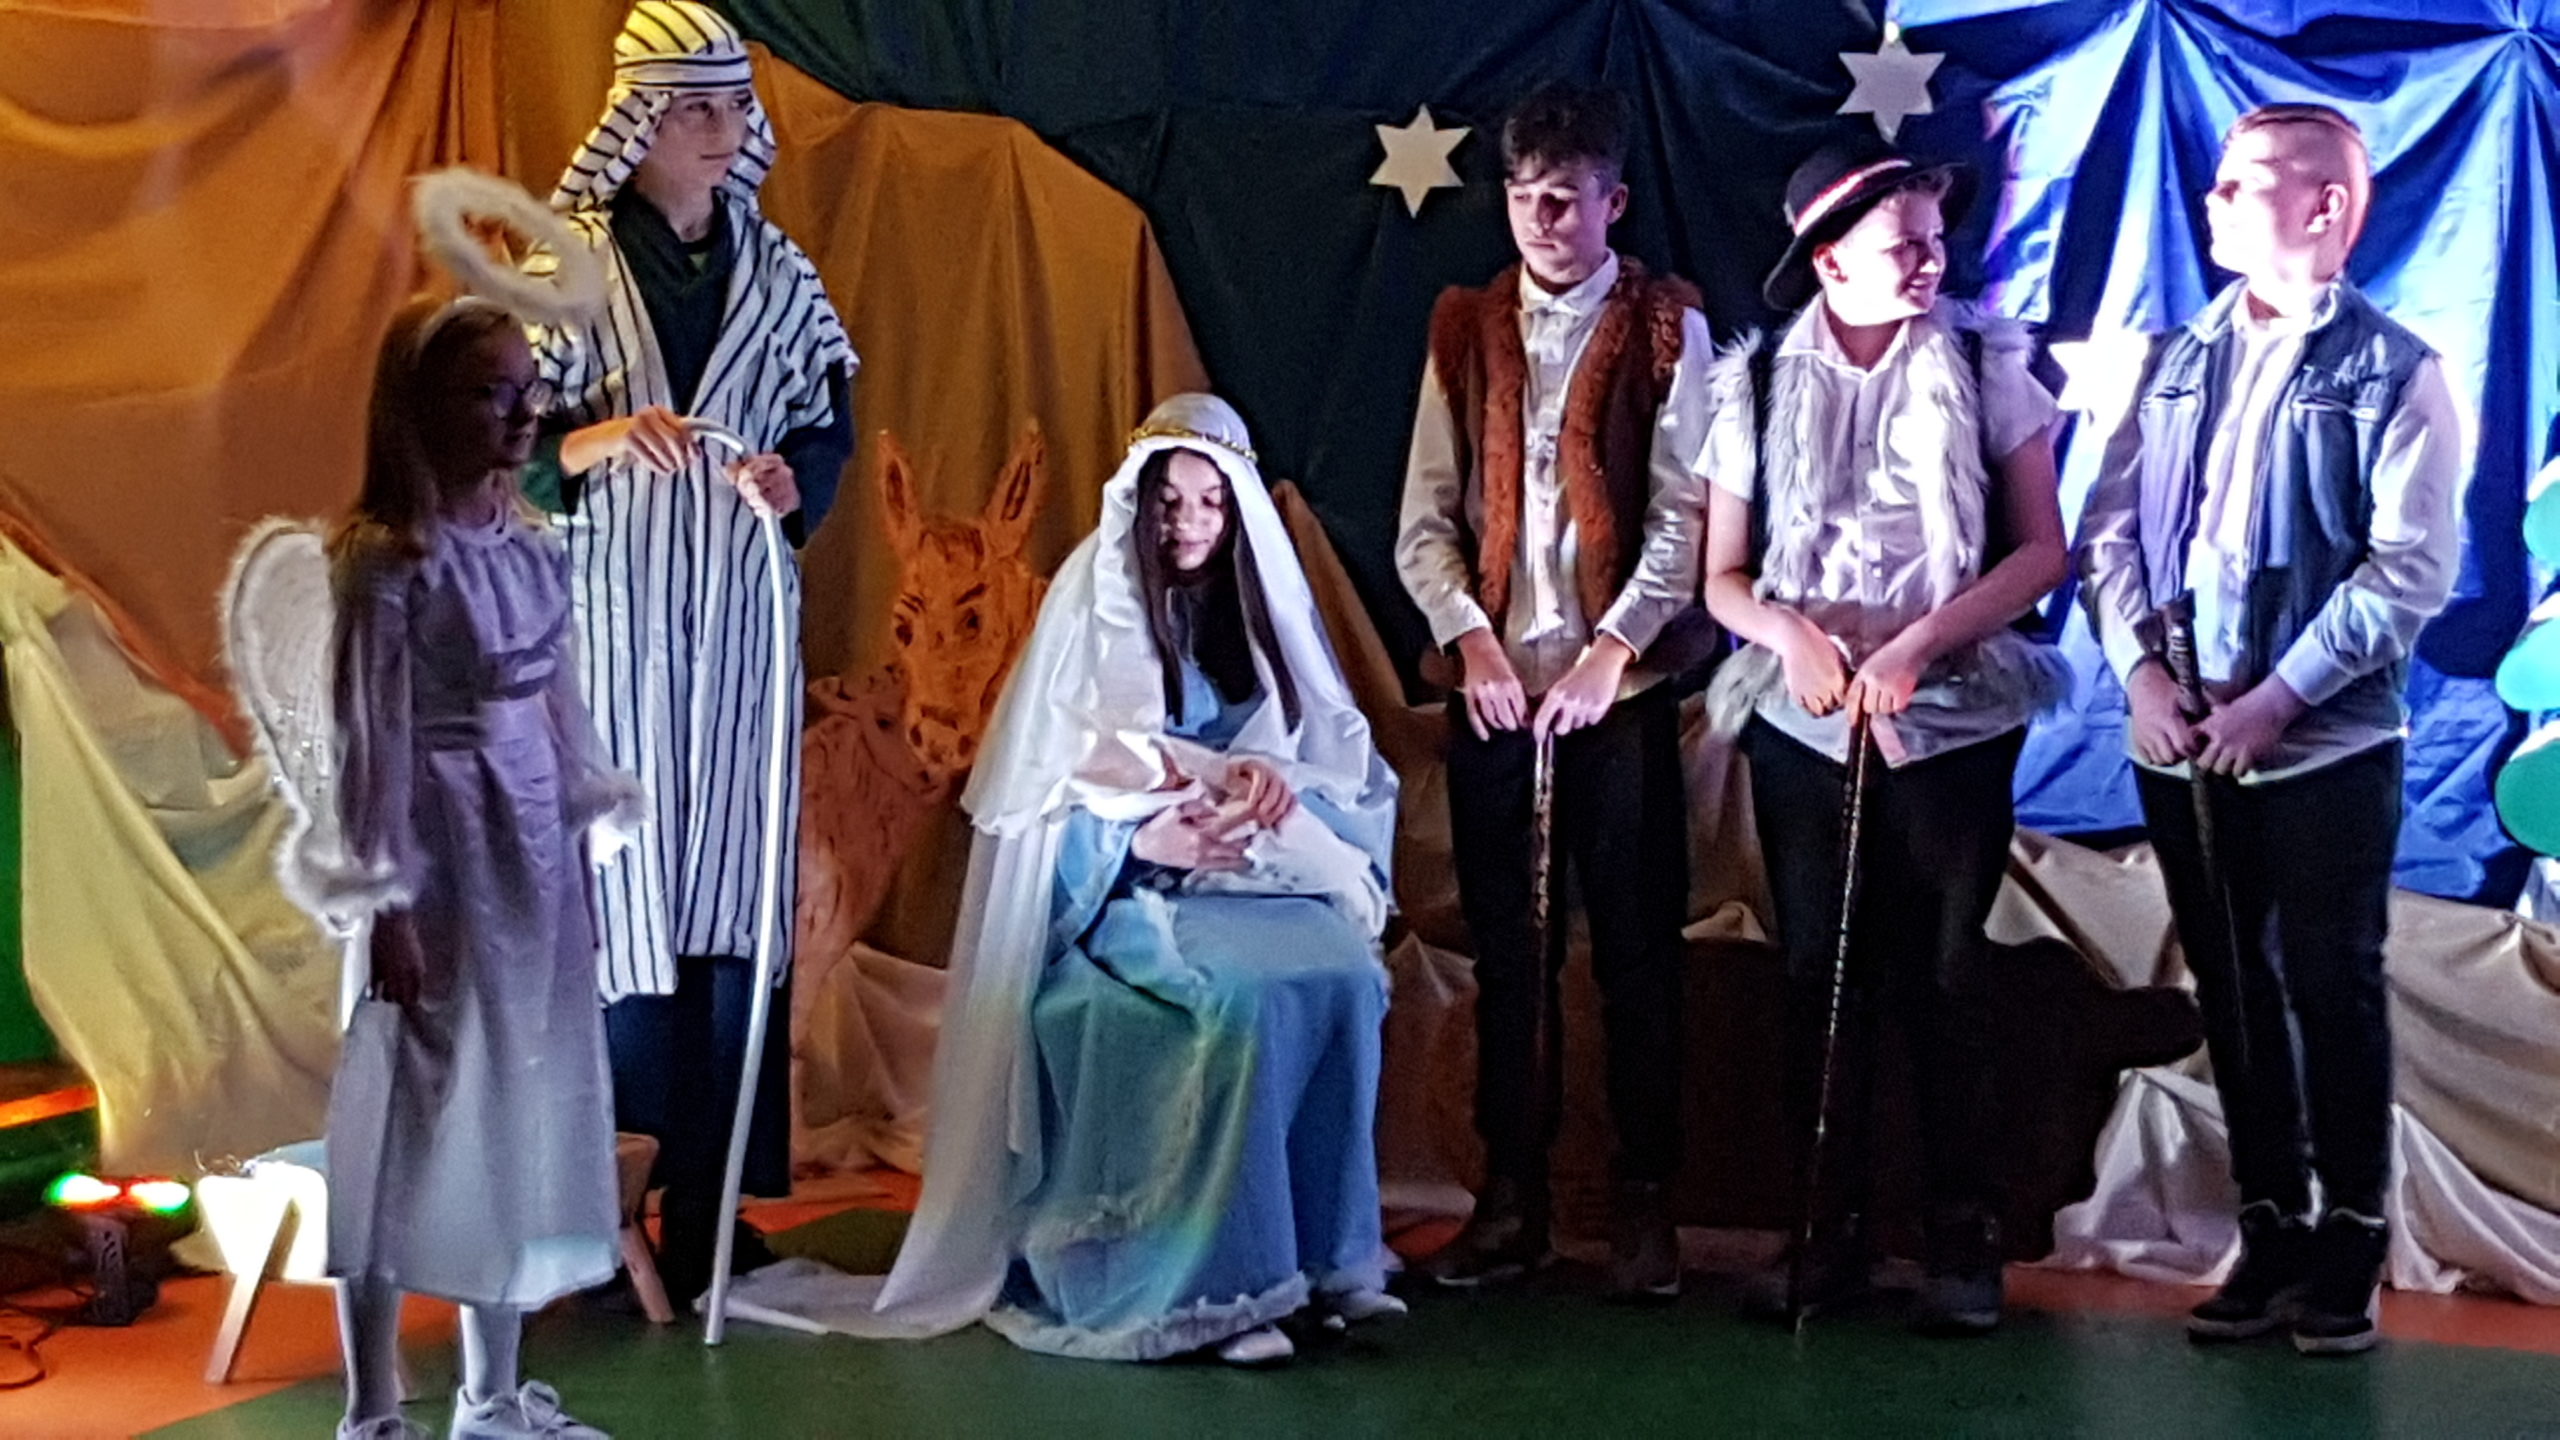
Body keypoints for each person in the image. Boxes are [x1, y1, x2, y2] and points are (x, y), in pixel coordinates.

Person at [866, 394, 1402, 1365]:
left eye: (1211, 502)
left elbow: (1317, 759)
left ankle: (1331, 1259)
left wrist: (1268, 788)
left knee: (1348, 976)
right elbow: (1040, 802)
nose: (1189, 523)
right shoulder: (1093, 602)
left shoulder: (1251, 608)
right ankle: (1221, 1289)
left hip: (1245, 880)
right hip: (1128, 895)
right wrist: (1141, 844)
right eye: (1170, 502)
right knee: (1240, 1000)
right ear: (1139, 501)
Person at [2076, 103, 2465, 1356]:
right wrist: (2141, 673)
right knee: (2232, 983)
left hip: (2323, 749)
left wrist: (2278, 698)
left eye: (2242, 183)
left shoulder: (2395, 370)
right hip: (2181, 736)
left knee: (2328, 981)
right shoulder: (2168, 359)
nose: (2215, 201)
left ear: (2325, 208)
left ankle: (2349, 1236)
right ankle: (2270, 1223)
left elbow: (2406, 571)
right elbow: (2108, 529)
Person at [1698, 130, 2069, 1334]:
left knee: (1947, 973)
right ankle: (1826, 1229)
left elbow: (2040, 550)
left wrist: (1920, 644)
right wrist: (1789, 637)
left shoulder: (1982, 360)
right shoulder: (1754, 383)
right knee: (1821, 969)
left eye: (1933, 241)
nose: (1928, 261)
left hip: (1948, 718)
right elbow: (1722, 576)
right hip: (1806, 725)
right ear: (1829, 261)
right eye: (1901, 244)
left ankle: (1961, 1235)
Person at [524, 0, 857, 1306]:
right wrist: (602, 440)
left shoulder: (778, 272)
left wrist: (793, 480)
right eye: (695, 109)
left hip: (740, 632)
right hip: (610, 636)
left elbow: (825, 417)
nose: (724, 131)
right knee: (625, 911)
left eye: (734, 105)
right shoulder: (565, 269)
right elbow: (499, 443)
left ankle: (714, 1212)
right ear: (639, 123)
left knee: (733, 907)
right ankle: (604, 1217)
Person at [1395, 82, 1714, 1300]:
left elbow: (1685, 516)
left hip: (1613, 697)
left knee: (1635, 952)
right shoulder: (1464, 328)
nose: (1543, 220)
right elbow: (1425, 517)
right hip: (1494, 694)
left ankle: (1644, 1200)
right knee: (1508, 955)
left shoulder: (1667, 327)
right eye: (1526, 197)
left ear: (1612, 203)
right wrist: (1472, 643)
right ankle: (1509, 1196)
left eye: (1567, 199)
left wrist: (1610, 653)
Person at [319, 294, 641, 1439]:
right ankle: (372, 1407)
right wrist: (387, 905)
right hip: (437, 851)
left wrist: (580, 847)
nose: (520, 414)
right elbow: (369, 738)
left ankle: (492, 1394)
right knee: (413, 1114)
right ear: (423, 409)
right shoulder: (389, 561)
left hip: (527, 849)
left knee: (517, 1099)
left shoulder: (530, 547)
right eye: (488, 392)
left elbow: (558, 710)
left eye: (525, 390)